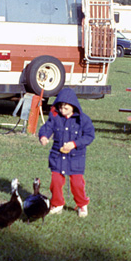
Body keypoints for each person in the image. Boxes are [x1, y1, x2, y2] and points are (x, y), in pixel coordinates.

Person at [38, 88, 95, 218]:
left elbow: (89, 136)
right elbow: (47, 128)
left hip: (76, 158)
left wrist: (74, 144)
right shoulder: (55, 117)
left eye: (66, 108)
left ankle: (82, 205)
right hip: (57, 156)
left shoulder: (83, 119)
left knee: (77, 183)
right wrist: (44, 137)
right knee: (56, 181)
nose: (63, 111)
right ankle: (57, 204)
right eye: (61, 108)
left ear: (73, 106)